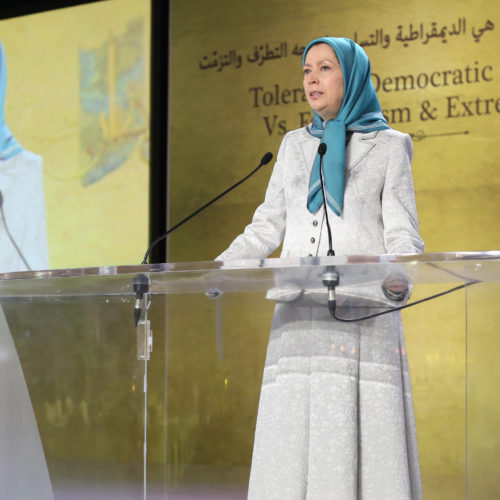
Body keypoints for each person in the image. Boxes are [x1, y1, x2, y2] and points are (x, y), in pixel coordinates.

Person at [216, 37, 424, 500]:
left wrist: (399, 276)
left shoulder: (390, 147)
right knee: (294, 447)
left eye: (325, 68)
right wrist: (222, 269)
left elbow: (402, 232)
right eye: (306, 70)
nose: (312, 78)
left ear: (351, 77)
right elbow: (267, 225)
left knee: (356, 443)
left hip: (363, 315)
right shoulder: (292, 146)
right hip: (298, 316)